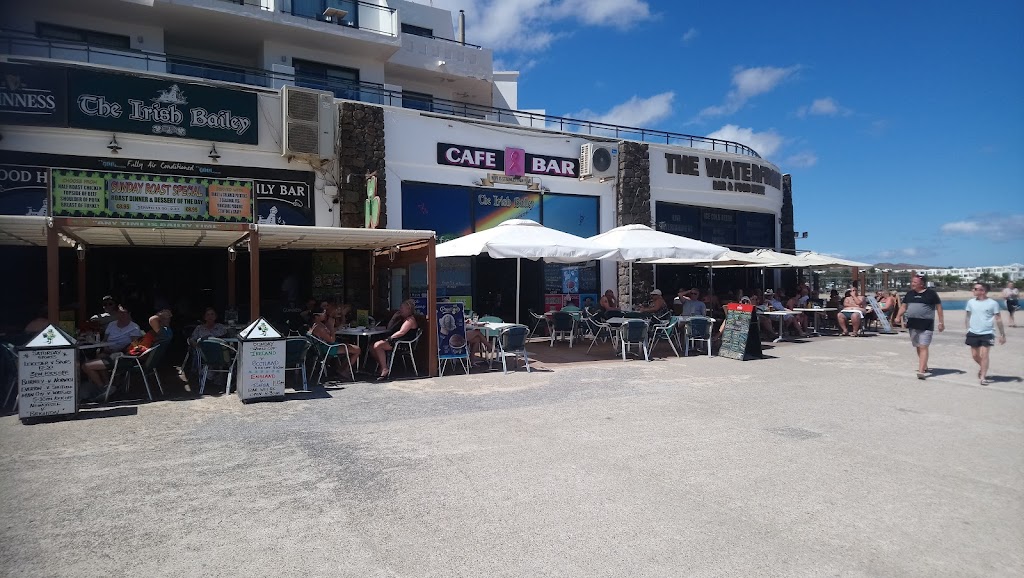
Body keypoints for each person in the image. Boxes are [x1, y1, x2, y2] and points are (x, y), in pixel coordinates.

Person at [80, 306, 144, 401]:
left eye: (124, 312)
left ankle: (102, 388)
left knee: (86, 366)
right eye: (119, 312)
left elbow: (135, 347)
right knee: (99, 356)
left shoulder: (134, 327)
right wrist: (105, 347)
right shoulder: (112, 324)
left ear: (129, 314)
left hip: (120, 356)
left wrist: (117, 350)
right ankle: (107, 386)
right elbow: (105, 340)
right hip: (108, 352)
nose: (121, 315)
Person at [895, 275, 944, 379]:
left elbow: (939, 308)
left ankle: (921, 371)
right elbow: (904, 306)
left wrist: (941, 322)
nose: (912, 284)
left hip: (926, 324)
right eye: (912, 282)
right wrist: (898, 316)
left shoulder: (931, 294)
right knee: (918, 346)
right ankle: (924, 365)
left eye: (915, 282)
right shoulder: (909, 294)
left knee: (923, 346)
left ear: (922, 284)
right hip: (912, 324)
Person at [965, 282, 1006, 386]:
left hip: (987, 332)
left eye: (975, 289)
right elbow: (968, 316)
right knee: (975, 355)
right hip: (973, 332)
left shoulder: (993, 303)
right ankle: (983, 367)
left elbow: (998, 319)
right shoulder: (970, 302)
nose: (973, 290)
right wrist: (967, 329)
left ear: (983, 291)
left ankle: (983, 377)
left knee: (984, 355)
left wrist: (1002, 334)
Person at [371, 299, 419, 381]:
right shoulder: (401, 318)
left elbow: (401, 332)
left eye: (402, 308)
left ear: (408, 309)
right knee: (371, 346)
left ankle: (385, 369)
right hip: (395, 341)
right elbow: (389, 327)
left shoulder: (410, 320)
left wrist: (389, 338)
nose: (400, 310)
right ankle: (383, 366)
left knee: (377, 345)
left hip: (401, 343)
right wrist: (394, 317)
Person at [309, 309, 359, 380]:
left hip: (323, 347)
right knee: (357, 349)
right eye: (323, 314)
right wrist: (331, 326)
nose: (325, 315)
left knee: (350, 347)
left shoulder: (316, 324)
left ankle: (342, 369)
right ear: (317, 316)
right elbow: (332, 340)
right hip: (328, 348)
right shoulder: (319, 327)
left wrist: (335, 327)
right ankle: (344, 370)